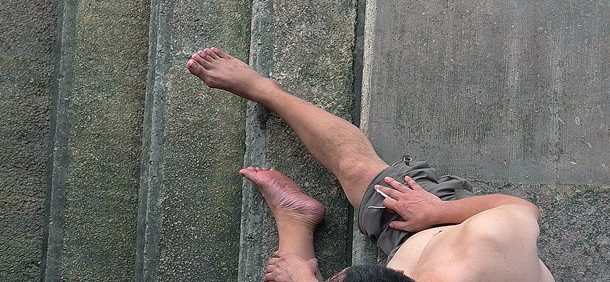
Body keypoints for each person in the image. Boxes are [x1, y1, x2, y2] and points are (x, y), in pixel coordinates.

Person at [186, 47, 555, 282]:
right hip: (441, 227)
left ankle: (296, 219)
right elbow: (522, 208)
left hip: (420, 247)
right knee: (360, 171)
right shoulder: (487, 242)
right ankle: (266, 89)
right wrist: (438, 211)